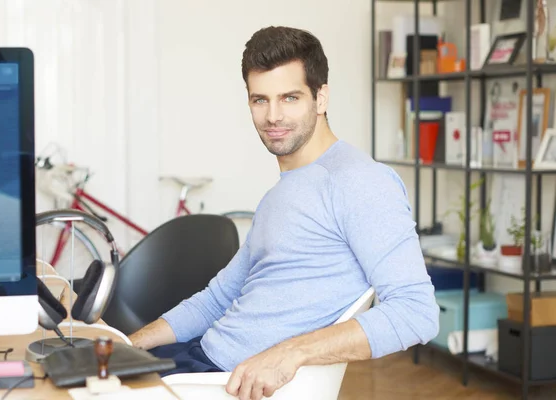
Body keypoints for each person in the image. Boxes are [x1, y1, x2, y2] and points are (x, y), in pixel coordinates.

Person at [129, 26, 440, 400]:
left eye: (290, 98)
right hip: (201, 357)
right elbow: (218, 298)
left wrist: (290, 354)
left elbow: (416, 312)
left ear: (321, 97)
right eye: (260, 100)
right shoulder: (283, 192)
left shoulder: (360, 182)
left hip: (226, 381)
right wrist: (130, 343)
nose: (273, 116)